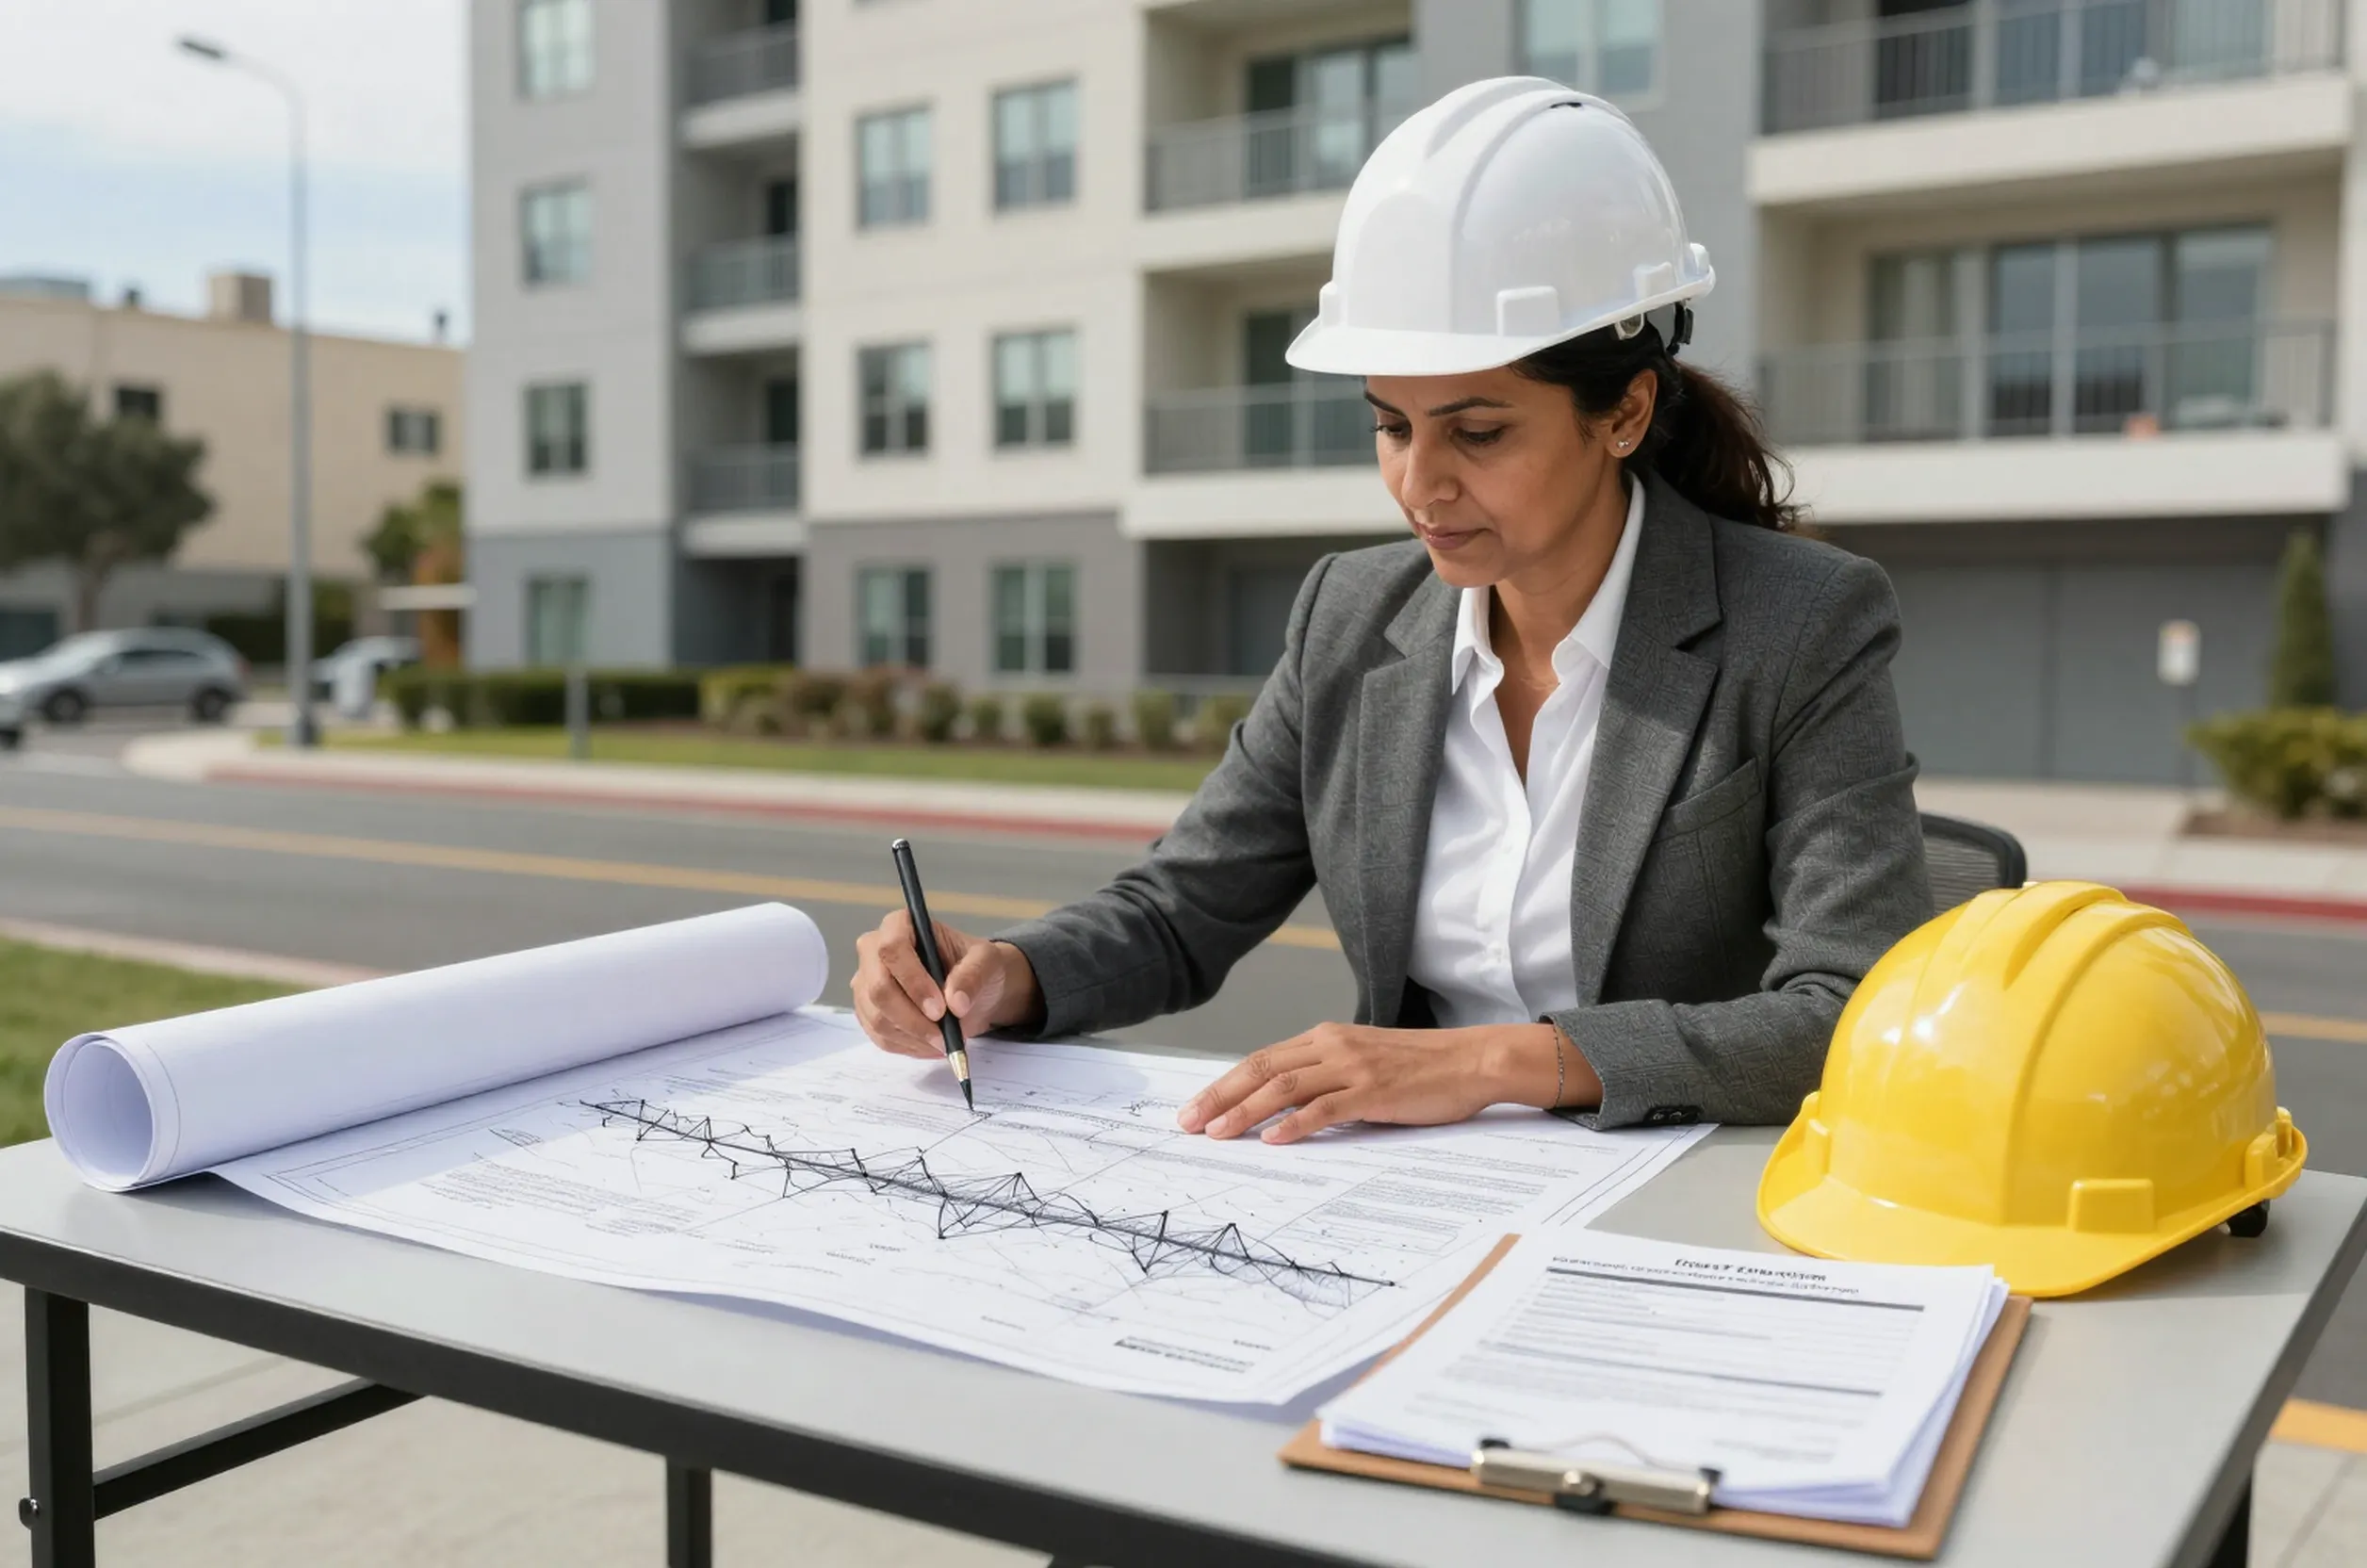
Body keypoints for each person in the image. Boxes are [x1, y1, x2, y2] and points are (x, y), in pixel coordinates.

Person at [852, 77, 1934, 1144]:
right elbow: (1184, 906)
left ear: (1623, 412)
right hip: (1410, 1196)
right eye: (1390, 425)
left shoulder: (1802, 623)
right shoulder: (1350, 612)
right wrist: (1010, 975)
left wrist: (1490, 1060)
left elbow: (1846, 1008)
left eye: (1476, 432)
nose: (1420, 484)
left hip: (1680, 1189)